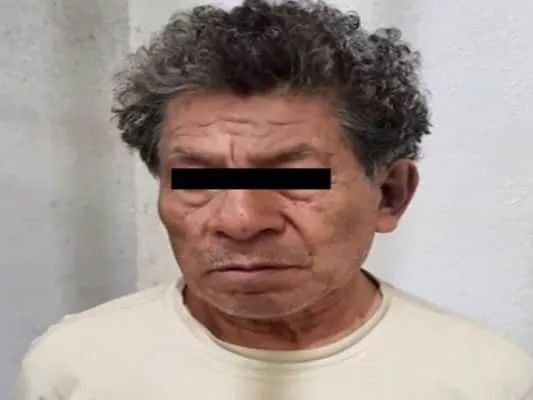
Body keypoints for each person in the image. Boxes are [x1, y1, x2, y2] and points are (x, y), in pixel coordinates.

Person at [14, 0, 533, 398]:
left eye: (296, 178)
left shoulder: (484, 380)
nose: (241, 220)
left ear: (389, 196)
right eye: (197, 179)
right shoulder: (76, 369)